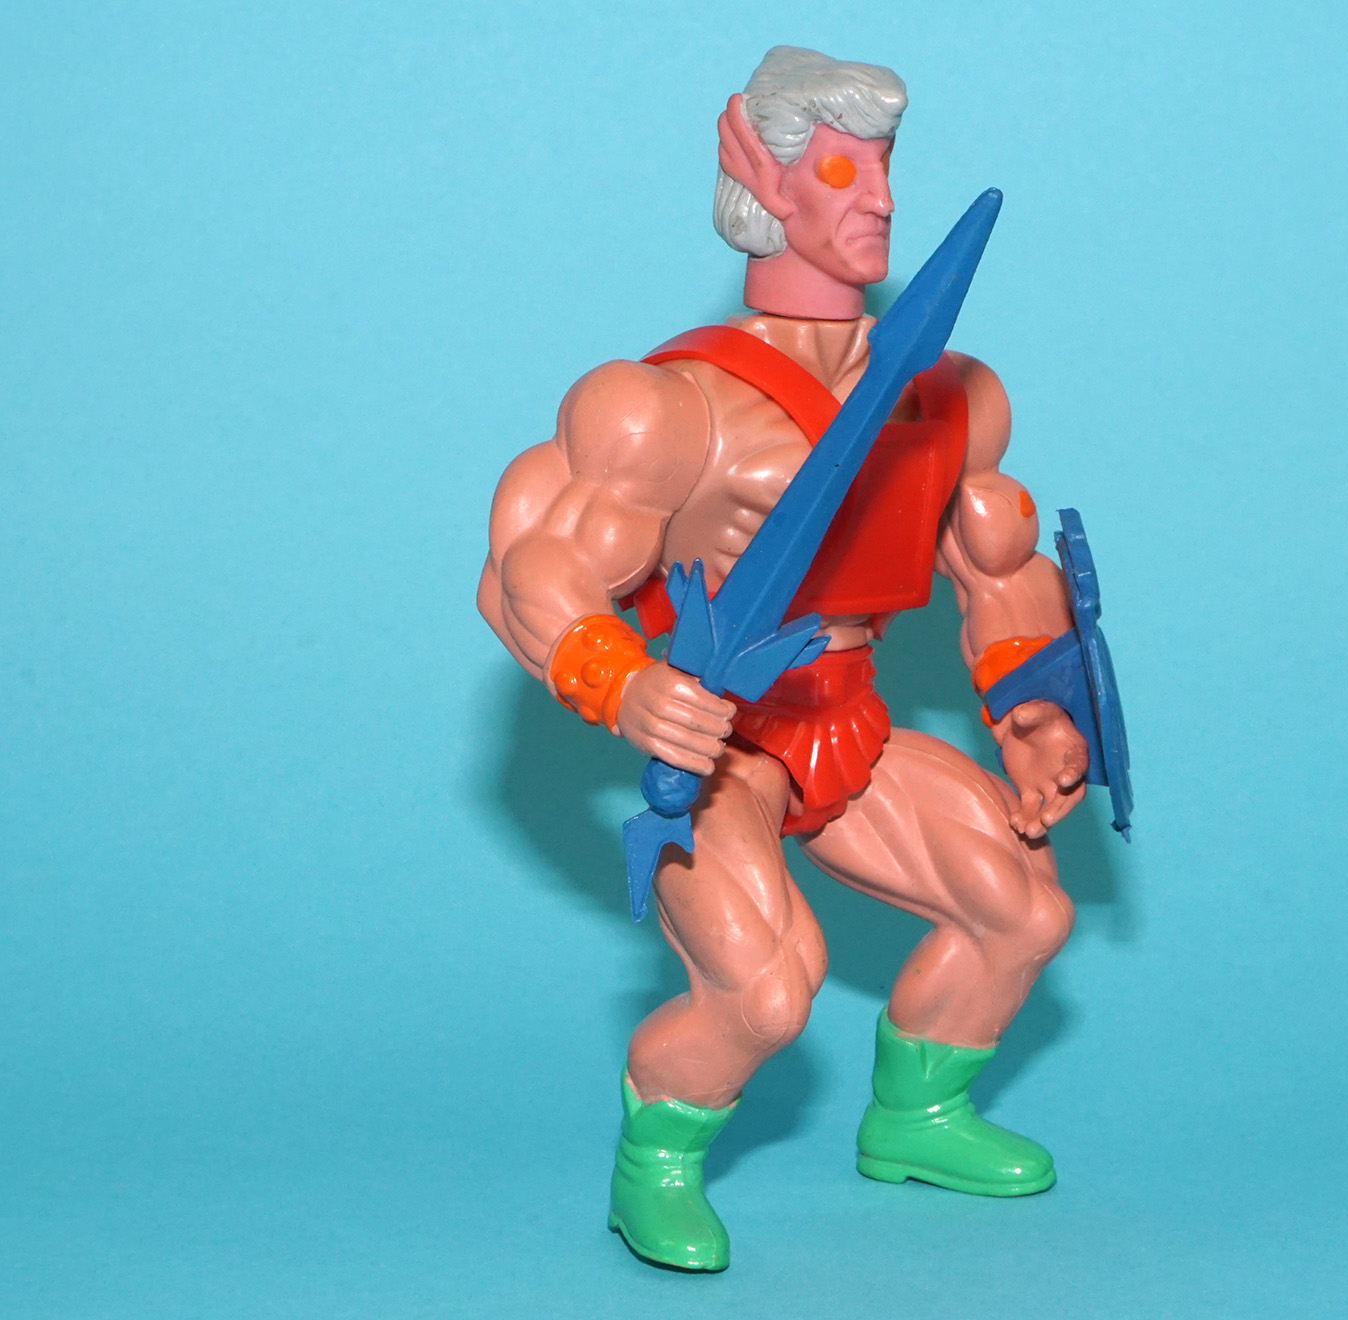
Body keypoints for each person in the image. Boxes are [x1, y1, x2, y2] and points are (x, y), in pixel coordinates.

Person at [479, 46, 1089, 1272]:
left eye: (885, 166)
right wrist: (623, 681)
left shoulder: (946, 396)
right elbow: (528, 572)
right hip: (724, 747)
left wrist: (1031, 707)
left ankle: (917, 1117)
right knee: (766, 989)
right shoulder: (669, 407)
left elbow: (997, 567)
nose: (881, 199)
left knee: (1022, 910)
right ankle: (656, 1161)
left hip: (850, 721)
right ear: (764, 176)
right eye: (842, 170)